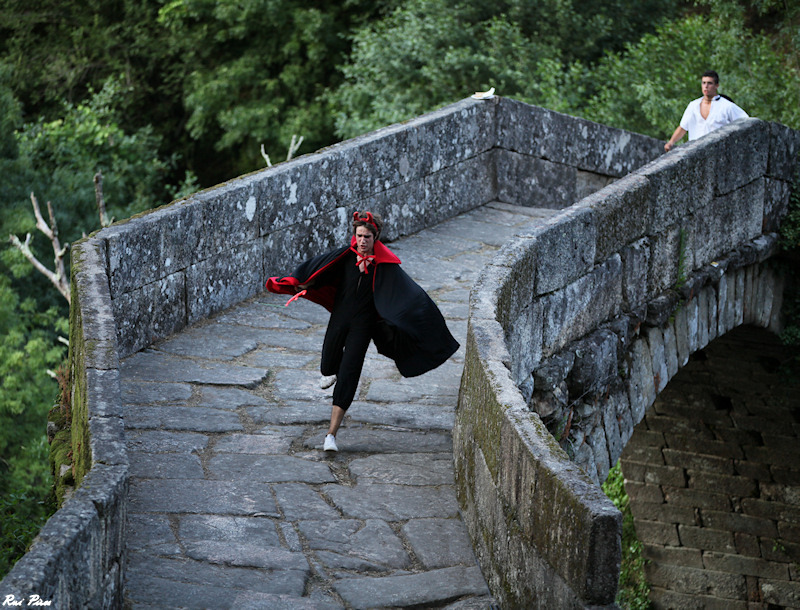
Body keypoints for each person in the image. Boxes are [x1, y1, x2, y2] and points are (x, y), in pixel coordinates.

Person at [266, 211, 459, 452]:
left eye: (367, 236)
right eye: (359, 235)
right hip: (339, 320)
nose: (362, 241)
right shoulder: (345, 258)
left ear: (375, 237)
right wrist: (302, 283)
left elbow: (409, 296)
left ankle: (331, 436)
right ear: (354, 235)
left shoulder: (386, 267)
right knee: (327, 367)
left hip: (363, 328)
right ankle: (331, 372)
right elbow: (320, 273)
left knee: (349, 374)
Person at [664, 70, 748, 152]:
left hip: (718, 152)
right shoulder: (693, 105)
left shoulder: (727, 106)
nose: (706, 86)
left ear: (717, 85)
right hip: (695, 151)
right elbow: (683, 127)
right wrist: (671, 142)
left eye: (709, 83)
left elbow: (746, 122)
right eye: (703, 83)